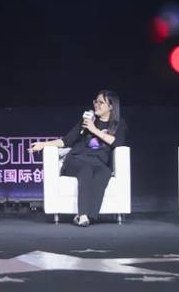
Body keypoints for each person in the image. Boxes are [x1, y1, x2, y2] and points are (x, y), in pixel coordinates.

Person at [29, 90, 128, 227]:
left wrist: (94, 130)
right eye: (95, 101)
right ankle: (83, 215)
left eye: (101, 102)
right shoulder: (87, 120)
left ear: (111, 106)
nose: (96, 105)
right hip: (77, 159)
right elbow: (67, 140)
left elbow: (117, 143)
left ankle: (89, 216)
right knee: (86, 170)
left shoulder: (118, 124)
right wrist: (43, 144)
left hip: (99, 163)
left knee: (104, 173)